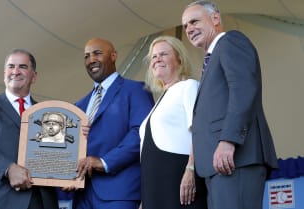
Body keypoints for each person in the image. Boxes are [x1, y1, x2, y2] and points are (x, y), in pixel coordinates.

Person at [181, 1, 278, 209]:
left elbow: (243, 90)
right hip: (217, 166)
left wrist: (228, 141)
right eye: (185, 26)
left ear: (215, 18)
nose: (188, 29)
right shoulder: (212, 57)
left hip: (236, 158)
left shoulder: (231, 41)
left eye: (194, 21)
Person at [0, 49, 59, 209]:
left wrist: (67, 175)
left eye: (22, 67)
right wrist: (8, 169)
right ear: (4, 73)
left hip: (40, 201)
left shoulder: (49, 114)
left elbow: (56, 154)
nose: (15, 71)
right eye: (11, 66)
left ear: (34, 76)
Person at [72, 38, 154, 209]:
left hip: (118, 192)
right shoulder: (77, 106)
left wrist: (104, 162)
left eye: (97, 53)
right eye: (86, 56)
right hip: (81, 195)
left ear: (114, 56)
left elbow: (140, 132)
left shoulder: (136, 90)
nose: (91, 59)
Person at [139, 35, 207, 209]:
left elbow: (199, 130)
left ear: (180, 60)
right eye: (154, 56)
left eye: (163, 54)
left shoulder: (188, 86)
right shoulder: (158, 102)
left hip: (178, 176)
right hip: (154, 185)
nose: (157, 59)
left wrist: (190, 170)